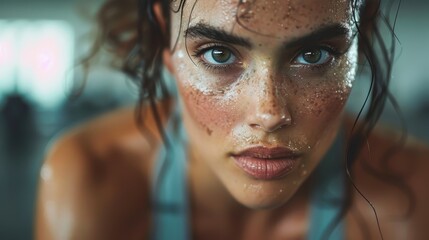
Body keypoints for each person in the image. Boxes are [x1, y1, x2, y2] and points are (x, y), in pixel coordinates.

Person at [35, 0, 429, 239]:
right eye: (218, 54)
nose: (269, 113)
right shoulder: (93, 181)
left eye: (314, 54)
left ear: (361, 41)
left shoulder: (412, 196)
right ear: (163, 42)